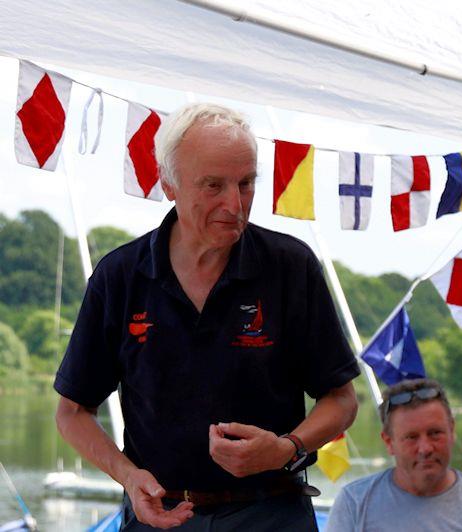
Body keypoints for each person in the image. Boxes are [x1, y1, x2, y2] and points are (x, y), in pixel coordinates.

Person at [54, 103, 360, 531]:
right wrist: (128, 477)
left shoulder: (291, 267)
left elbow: (342, 400)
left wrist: (288, 448)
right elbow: (72, 412)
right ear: (169, 184)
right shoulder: (121, 276)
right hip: (160, 517)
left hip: (271, 513)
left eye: (247, 183)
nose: (234, 204)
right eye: (214, 185)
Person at [326, 378, 462, 532]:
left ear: (452, 430)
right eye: (411, 437)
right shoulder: (354, 502)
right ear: (389, 442)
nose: (425, 448)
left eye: (435, 433)